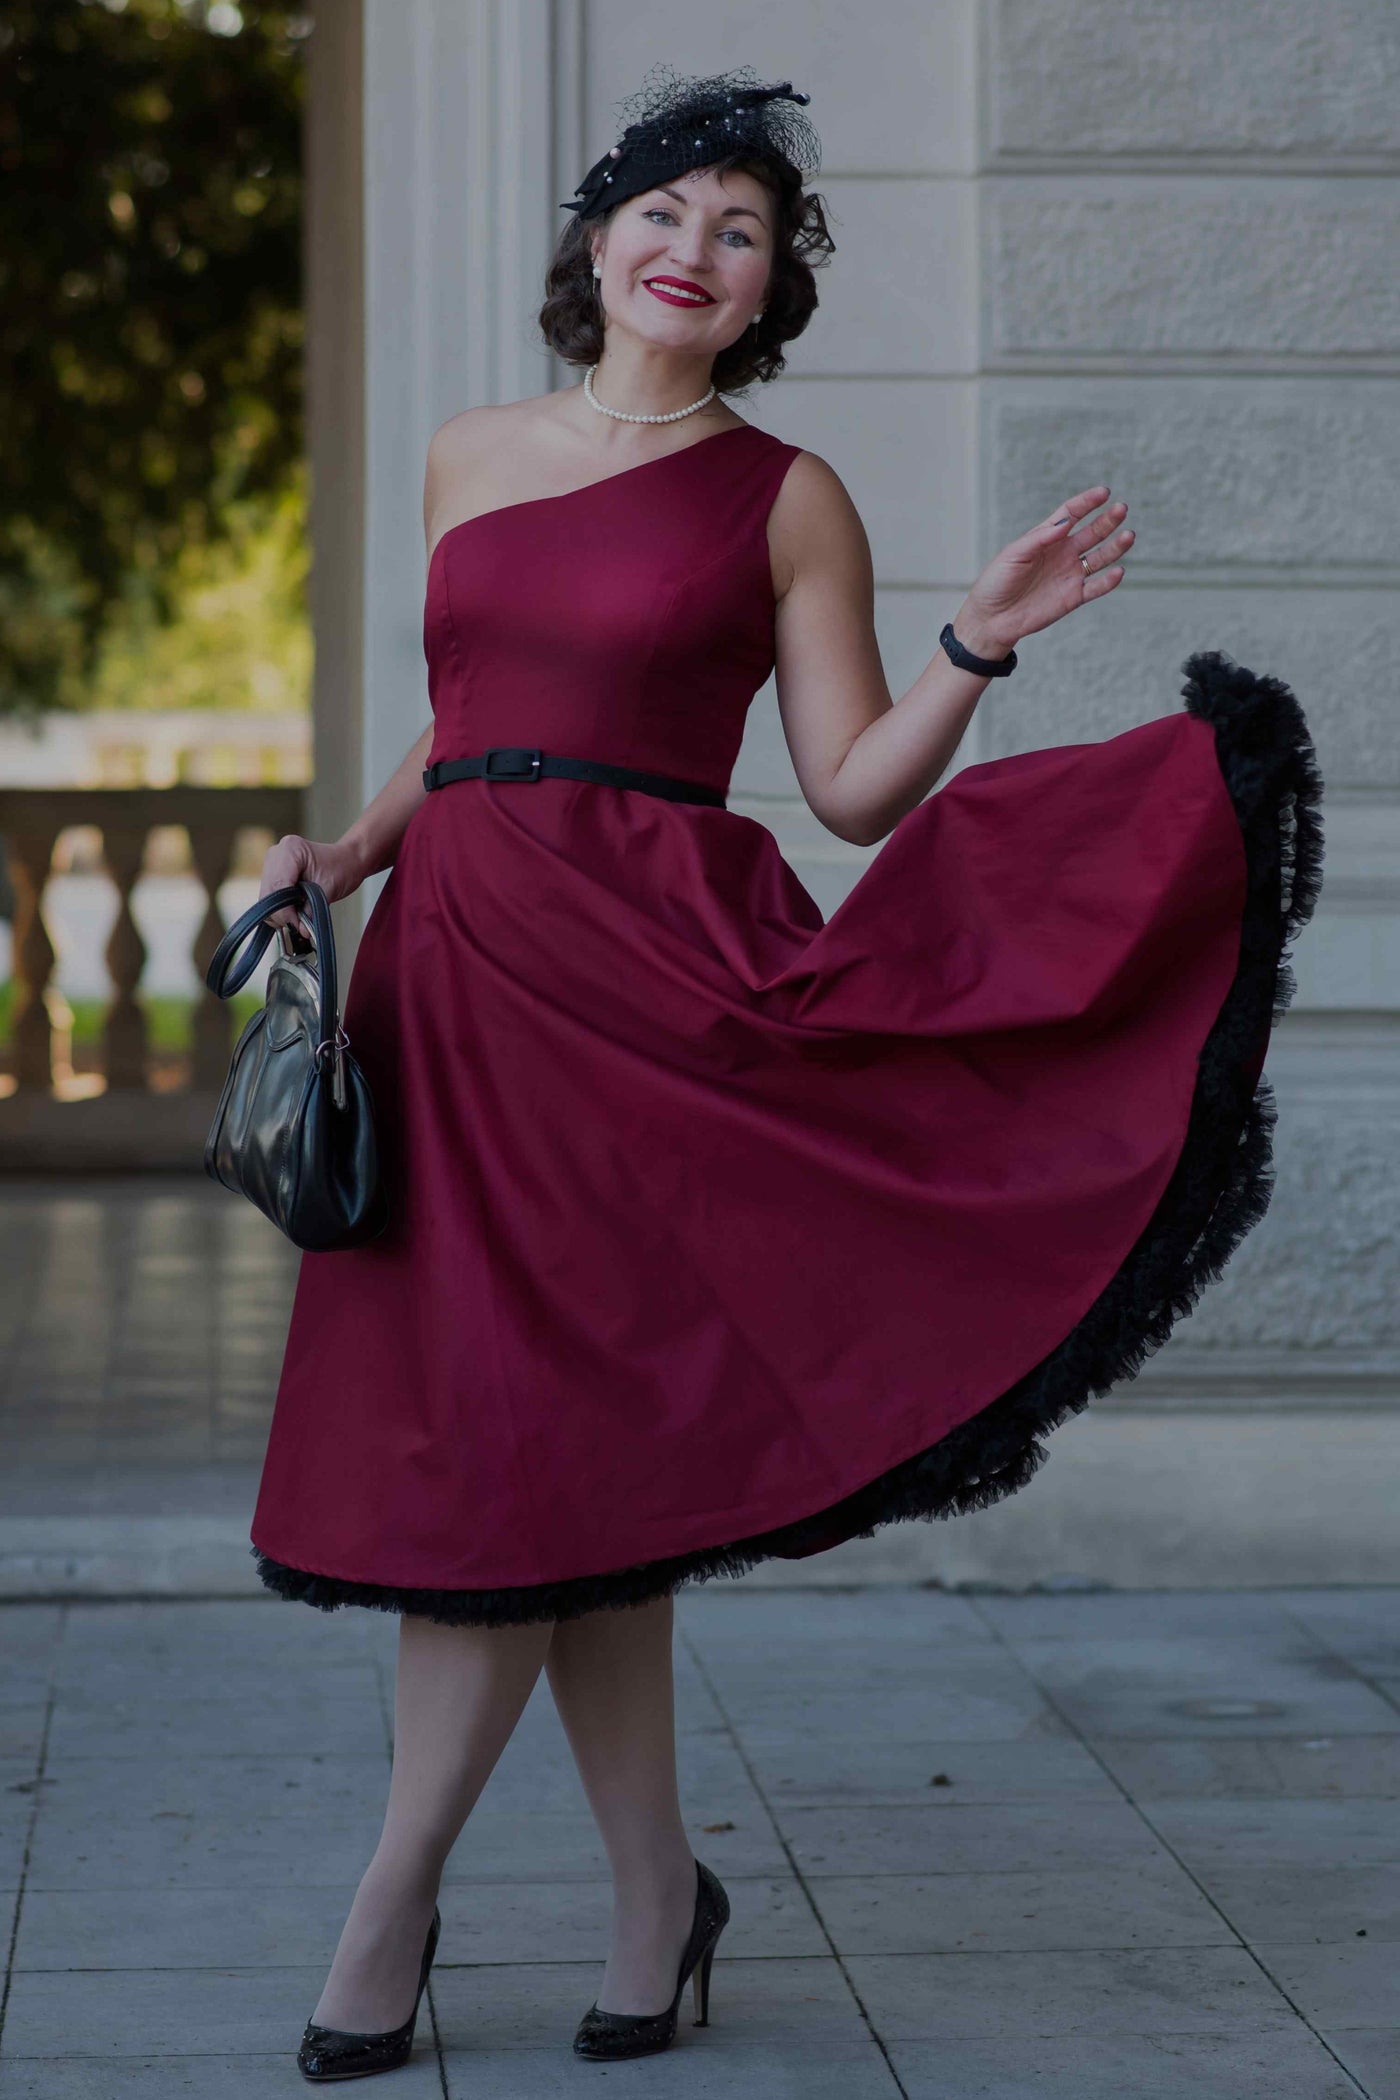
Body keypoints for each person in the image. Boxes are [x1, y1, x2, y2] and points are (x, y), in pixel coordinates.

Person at [248, 65, 1323, 2081]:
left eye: (737, 233)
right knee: (543, 1463)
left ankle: (387, 1911)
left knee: (538, 1461)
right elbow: (462, 718)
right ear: (598, 240)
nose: (692, 248)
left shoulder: (783, 494)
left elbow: (843, 796)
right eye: (664, 210)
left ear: (762, 295)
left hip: (646, 981)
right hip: (453, 978)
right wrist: (349, 847)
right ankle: (659, 1900)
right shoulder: (471, 452)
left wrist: (973, 649)